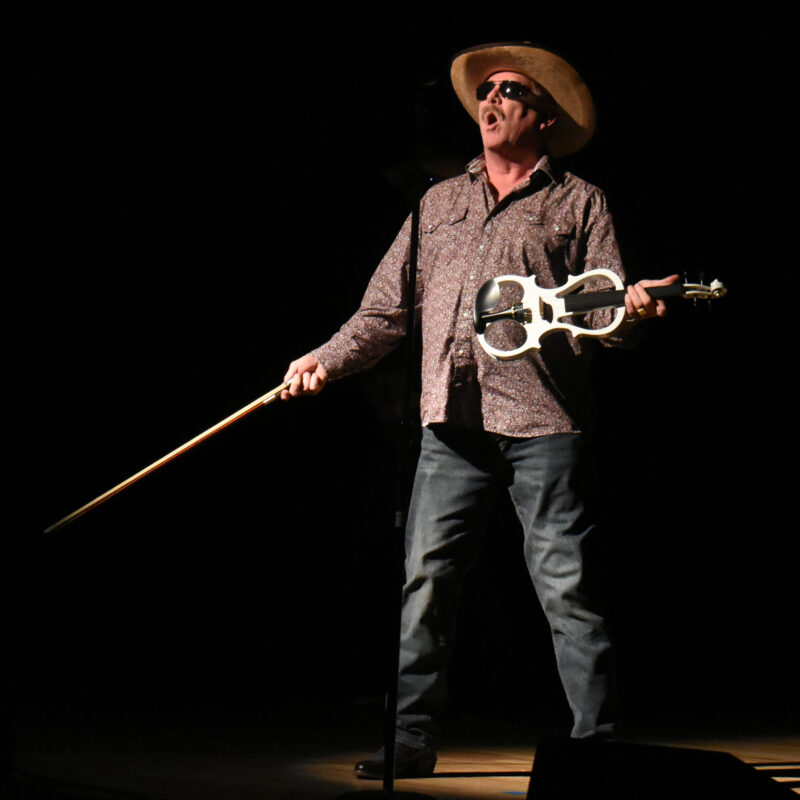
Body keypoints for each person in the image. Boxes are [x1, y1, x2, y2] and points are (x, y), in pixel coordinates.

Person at [281, 42, 677, 778]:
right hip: (449, 424)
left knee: (567, 587)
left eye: (510, 93)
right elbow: (383, 315)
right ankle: (410, 742)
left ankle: (597, 755)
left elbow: (604, 317)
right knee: (425, 581)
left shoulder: (579, 201)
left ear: (545, 119)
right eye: (486, 92)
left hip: (544, 423)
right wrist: (322, 361)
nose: (491, 102)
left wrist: (636, 312)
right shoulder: (438, 201)